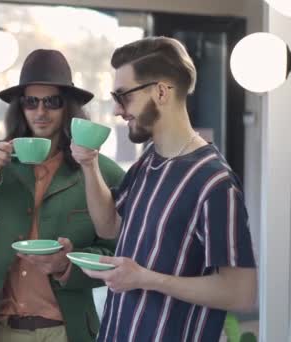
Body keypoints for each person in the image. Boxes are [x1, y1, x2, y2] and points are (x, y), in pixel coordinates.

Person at [71, 36, 257, 341]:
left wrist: (145, 279)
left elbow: (240, 292)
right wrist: (89, 165)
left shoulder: (214, 183)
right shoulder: (148, 161)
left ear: (160, 92)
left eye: (123, 96)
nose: (118, 110)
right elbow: (109, 226)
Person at [0, 49, 125, 342]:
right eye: (31, 102)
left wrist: (67, 265)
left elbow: (114, 253)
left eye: (52, 102)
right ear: (20, 107)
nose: (40, 112)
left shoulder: (101, 172)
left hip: (64, 330)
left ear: (67, 107)